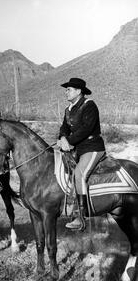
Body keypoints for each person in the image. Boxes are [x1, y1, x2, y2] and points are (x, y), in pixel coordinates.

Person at [57, 78, 106, 230]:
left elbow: (86, 128)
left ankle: (81, 216)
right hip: (76, 149)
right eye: (66, 89)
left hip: (92, 148)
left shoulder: (89, 105)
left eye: (69, 89)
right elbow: (64, 128)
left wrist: (68, 141)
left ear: (78, 91)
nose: (66, 92)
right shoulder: (68, 109)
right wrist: (63, 138)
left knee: (79, 174)